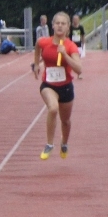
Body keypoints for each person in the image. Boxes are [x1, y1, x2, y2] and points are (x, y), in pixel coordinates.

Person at [32, 12, 82, 160]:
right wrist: (36, 64)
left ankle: (64, 143)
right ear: (52, 25)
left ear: (68, 28)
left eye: (63, 23)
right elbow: (37, 46)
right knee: (53, 108)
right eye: (57, 23)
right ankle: (49, 144)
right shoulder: (44, 42)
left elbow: (79, 69)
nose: (60, 26)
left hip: (66, 87)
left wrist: (65, 55)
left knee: (65, 121)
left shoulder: (71, 46)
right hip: (48, 85)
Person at [69, 15, 85, 79]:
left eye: (76, 19)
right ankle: (69, 73)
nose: (75, 21)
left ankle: (79, 74)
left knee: (78, 60)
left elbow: (83, 35)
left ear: (78, 20)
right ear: (72, 20)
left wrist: (83, 43)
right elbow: (67, 35)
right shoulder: (70, 27)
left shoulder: (81, 27)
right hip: (71, 45)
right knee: (70, 60)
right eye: (74, 19)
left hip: (78, 45)